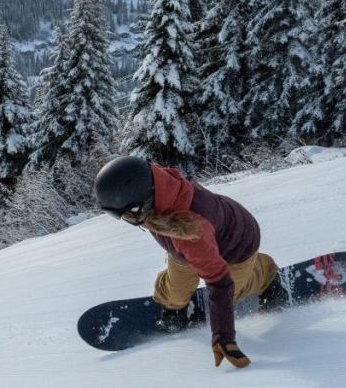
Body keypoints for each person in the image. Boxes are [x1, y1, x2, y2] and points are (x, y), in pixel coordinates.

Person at [93, 155, 289, 368]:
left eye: (124, 215)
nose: (125, 220)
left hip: (236, 244)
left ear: (137, 206)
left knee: (234, 291)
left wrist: (223, 335)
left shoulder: (190, 229)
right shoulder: (155, 183)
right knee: (175, 290)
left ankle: (264, 273)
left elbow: (220, 282)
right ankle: (175, 306)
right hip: (185, 246)